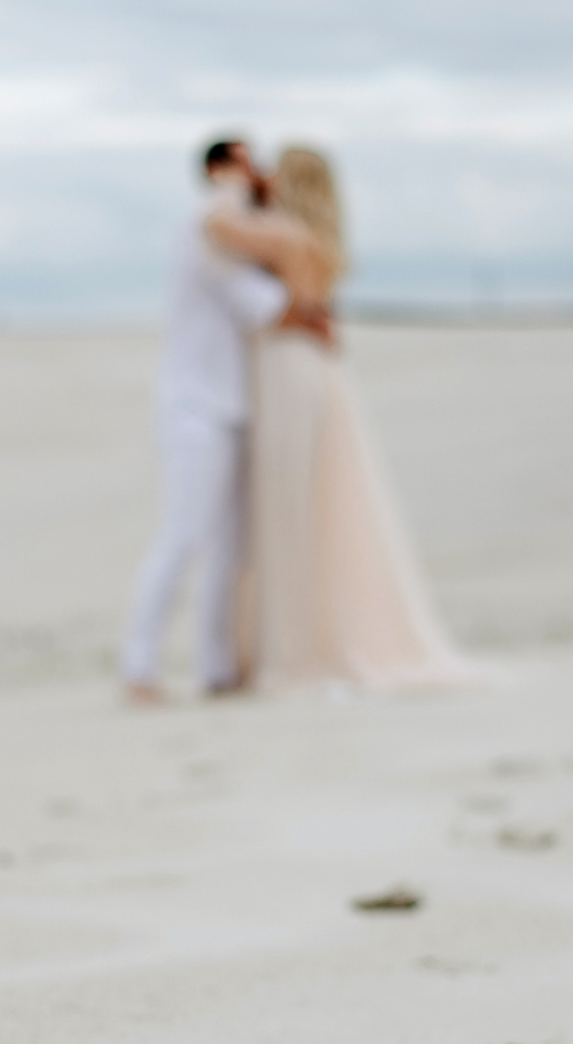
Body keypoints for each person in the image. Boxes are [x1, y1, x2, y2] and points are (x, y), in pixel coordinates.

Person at [211, 146, 472, 695]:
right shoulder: (322, 243)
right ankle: (307, 636)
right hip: (321, 371)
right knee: (324, 502)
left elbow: (215, 226)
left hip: (288, 368)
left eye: (274, 169)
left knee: (289, 510)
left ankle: (293, 647)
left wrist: (234, 183)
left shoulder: (285, 237)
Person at [117, 139, 330, 704]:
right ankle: (139, 667)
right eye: (242, 161)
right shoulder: (208, 222)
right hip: (195, 404)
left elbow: (267, 298)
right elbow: (263, 299)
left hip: (232, 400)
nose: (254, 171)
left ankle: (218, 666)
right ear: (217, 170)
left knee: (231, 544)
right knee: (184, 533)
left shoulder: (233, 234)